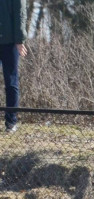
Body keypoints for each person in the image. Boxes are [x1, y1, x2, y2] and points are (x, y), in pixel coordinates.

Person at [0, 0, 26, 133]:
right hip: (8, 41)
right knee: (11, 82)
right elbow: (20, 14)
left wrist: (19, 40)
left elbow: (20, 14)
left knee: (11, 82)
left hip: (9, 42)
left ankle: (11, 121)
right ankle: (11, 122)